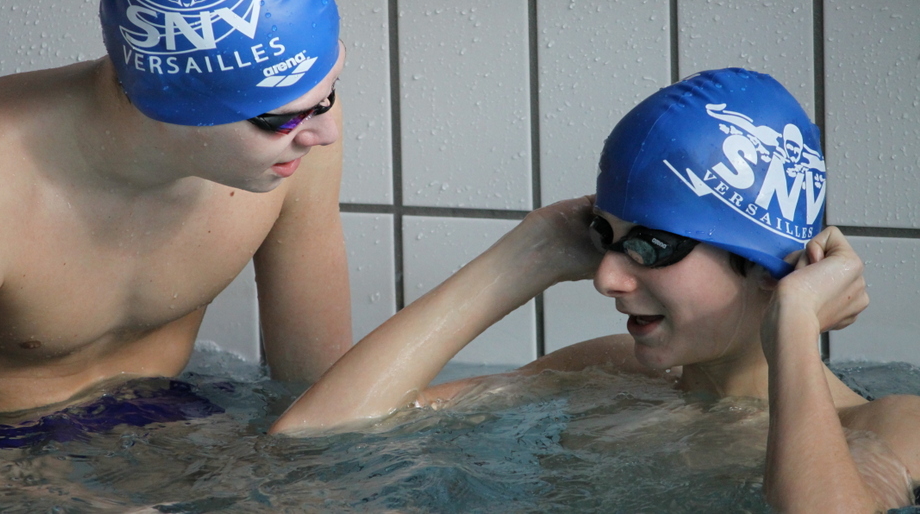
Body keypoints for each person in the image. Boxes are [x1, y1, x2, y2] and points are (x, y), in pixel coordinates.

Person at [271, 68, 920, 512]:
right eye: (604, 236)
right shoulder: (604, 375)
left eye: (652, 244)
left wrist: (796, 319)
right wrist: (526, 257)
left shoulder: (892, 426)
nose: (608, 277)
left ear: (763, 263)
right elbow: (318, 439)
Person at [0, 0, 352, 439]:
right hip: (1, 449)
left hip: (167, 422)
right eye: (279, 118)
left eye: (328, 93)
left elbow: (320, 400)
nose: (324, 132)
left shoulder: (295, 148)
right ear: (177, 105)